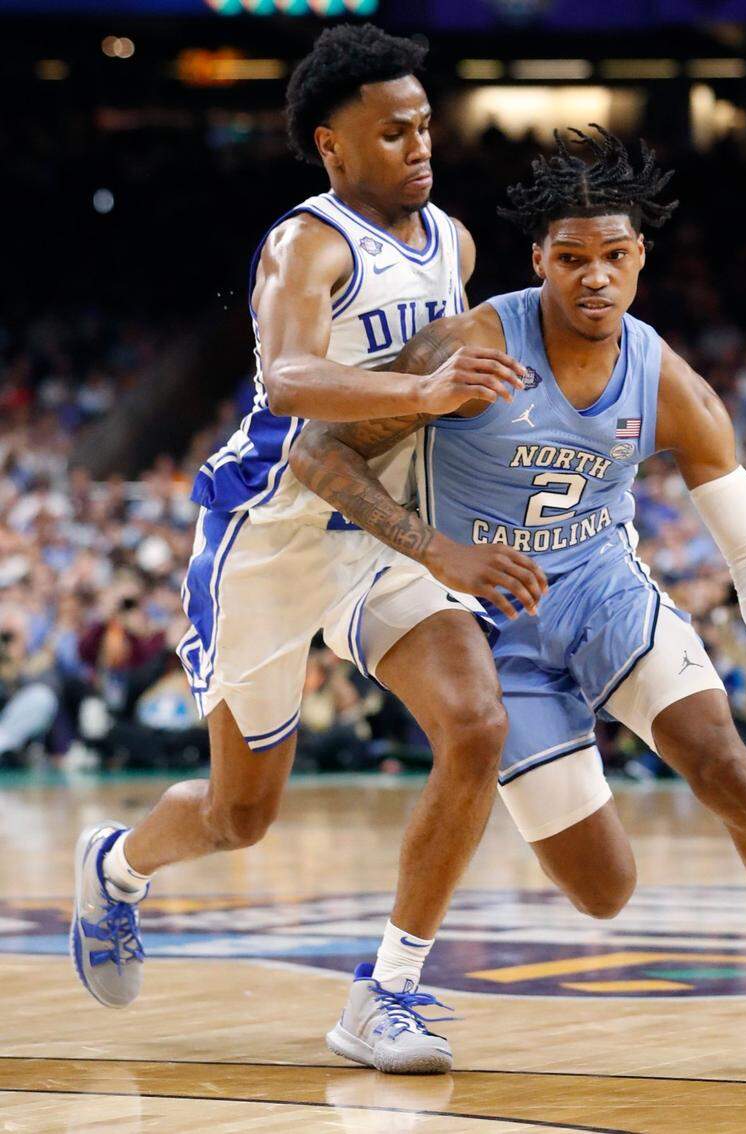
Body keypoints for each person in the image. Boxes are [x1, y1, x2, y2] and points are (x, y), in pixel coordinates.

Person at [290, 126, 746, 1078]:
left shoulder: (670, 384)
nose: (594, 277)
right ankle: (386, 988)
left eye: (613, 255)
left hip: (601, 590)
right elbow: (316, 451)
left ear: (641, 257)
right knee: (603, 890)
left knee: (728, 766)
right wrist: (438, 549)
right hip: (482, 612)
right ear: (539, 260)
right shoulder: (472, 346)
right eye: (572, 258)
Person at [70, 26, 548, 1076]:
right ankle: (118, 865)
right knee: (241, 816)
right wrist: (425, 389)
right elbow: (286, 380)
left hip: (381, 530)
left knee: (475, 724)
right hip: (271, 539)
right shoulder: (308, 245)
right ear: (332, 145)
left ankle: (387, 992)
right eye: (393, 133)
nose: (420, 146)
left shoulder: (454, 244)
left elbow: (449, 396)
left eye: (424, 125)